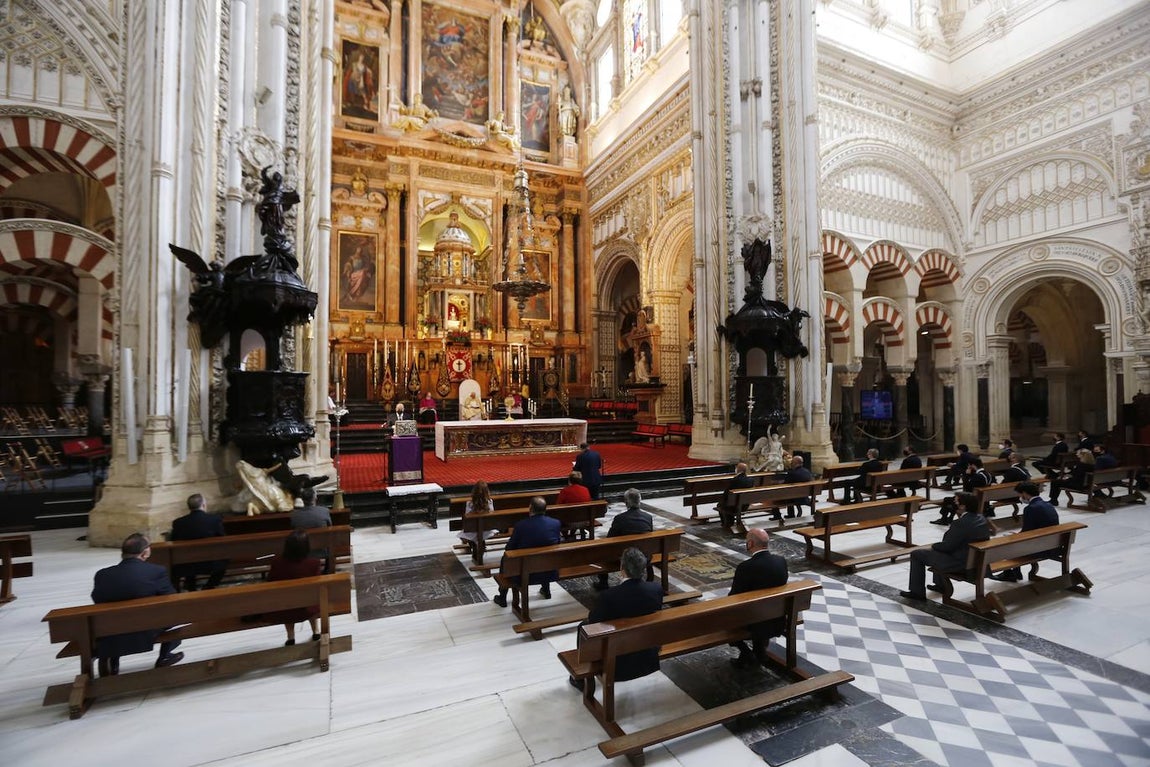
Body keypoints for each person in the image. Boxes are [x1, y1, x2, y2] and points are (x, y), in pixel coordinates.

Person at [568, 547, 663, 694]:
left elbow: (593, 622)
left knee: (584, 627)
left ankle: (581, 679)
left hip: (617, 660)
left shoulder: (609, 596)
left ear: (622, 569)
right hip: (647, 651)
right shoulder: (655, 589)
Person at [91, 533, 184, 676]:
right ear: (145, 552)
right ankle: (165, 655)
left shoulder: (102, 574)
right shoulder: (156, 571)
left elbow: (97, 599)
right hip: (146, 629)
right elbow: (170, 598)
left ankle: (112, 661)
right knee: (175, 614)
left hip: (111, 630)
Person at [901, 493, 992, 601]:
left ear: (963, 506)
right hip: (977, 562)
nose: (954, 504)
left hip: (961, 565)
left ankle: (917, 592)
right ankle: (940, 585)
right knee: (938, 551)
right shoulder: (981, 519)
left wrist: (934, 546)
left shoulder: (960, 523)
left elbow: (947, 547)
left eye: (956, 502)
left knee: (917, 554)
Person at [728, 528, 789, 667]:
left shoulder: (746, 567)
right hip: (777, 617)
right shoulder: (781, 561)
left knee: (725, 618)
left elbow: (734, 597)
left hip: (754, 621)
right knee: (759, 607)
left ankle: (746, 653)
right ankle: (759, 650)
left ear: (749, 544)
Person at [493, 497, 561, 607]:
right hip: (550, 570)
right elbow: (557, 543)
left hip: (524, 573)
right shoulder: (555, 523)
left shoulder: (521, 525)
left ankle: (502, 597)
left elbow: (509, 548)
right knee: (544, 554)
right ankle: (546, 590)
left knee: (505, 558)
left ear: (530, 508)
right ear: (545, 509)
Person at [990, 482, 1059, 582]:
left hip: (1041, 548)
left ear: (1025, 493)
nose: (1019, 497)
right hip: (1053, 544)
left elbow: (1027, 533)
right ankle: (1015, 572)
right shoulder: (1048, 505)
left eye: (1019, 494)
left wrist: (1014, 536)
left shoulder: (1030, 508)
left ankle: (1010, 573)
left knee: (1006, 542)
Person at [264, 530, 323, 646]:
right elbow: (318, 584)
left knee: (287, 602)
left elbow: (270, 582)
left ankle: (291, 636)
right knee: (313, 599)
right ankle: (316, 631)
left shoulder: (277, 563)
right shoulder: (314, 563)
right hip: (308, 607)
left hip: (285, 608)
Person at [594, 488, 653, 590]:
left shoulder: (620, 519)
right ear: (639, 501)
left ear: (626, 503)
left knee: (602, 550)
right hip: (645, 555)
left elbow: (610, 539)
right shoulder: (648, 517)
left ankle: (603, 582)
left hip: (624, 558)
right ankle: (650, 577)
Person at [169, 493, 226, 592]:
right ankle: (209, 586)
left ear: (189, 507)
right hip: (210, 562)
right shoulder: (214, 519)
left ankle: (191, 587)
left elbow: (173, 541)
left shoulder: (178, 523)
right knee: (224, 561)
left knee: (187, 559)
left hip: (186, 563)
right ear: (204, 505)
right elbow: (222, 537)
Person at [291, 486, 334, 572]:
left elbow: (293, 530)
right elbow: (330, 527)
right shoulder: (324, 511)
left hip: (302, 550)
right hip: (322, 549)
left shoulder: (295, 515)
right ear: (315, 498)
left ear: (302, 499)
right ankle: (328, 569)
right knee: (330, 539)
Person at [458, 480, 497, 554]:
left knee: (469, 532)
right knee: (481, 529)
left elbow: (467, 517)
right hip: (487, 529)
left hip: (472, 529)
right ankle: (480, 544)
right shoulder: (490, 502)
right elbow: (492, 514)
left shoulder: (469, 503)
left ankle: (473, 545)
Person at [718, 461, 755, 533]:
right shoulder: (751, 480)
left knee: (721, 505)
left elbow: (726, 494)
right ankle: (730, 522)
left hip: (733, 506)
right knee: (730, 503)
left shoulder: (734, 480)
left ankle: (727, 523)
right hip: (745, 505)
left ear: (737, 469)